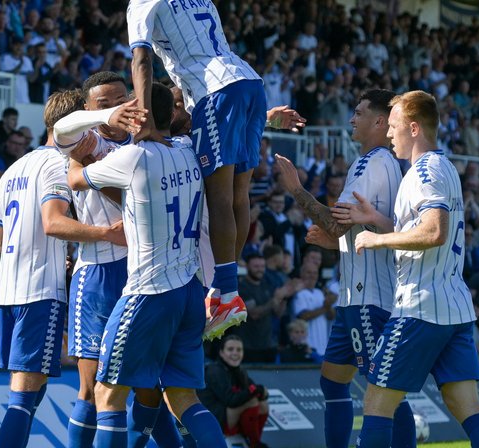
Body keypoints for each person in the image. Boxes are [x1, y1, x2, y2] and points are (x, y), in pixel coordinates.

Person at [127, 0, 306, 341]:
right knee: (239, 198)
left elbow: (141, 59)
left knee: (219, 197)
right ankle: (226, 292)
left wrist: (145, 118)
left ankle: (223, 293)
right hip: (249, 83)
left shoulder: (142, 3)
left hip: (215, 90)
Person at [69, 83, 225, 448]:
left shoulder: (134, 157)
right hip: (189, 288)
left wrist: (80, 154)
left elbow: (76, 179)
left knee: (108, 394)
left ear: (136, 115)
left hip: (148, 290)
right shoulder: (190, 152)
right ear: (171, 114)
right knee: (184, 397)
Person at [352, 91, 479, 447]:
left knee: (376, 402)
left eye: (394, 127)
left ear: (414, 128)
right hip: (453, 307)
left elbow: (434, 231)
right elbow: (423, 230)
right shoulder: (444, 166)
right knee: (465, 404)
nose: (389, 134)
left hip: (419, 307)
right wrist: (381, 222)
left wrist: (377, 240)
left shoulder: (423, 170)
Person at [0, 89, 125, 448]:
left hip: (6, 292)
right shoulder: (57, 163)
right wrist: (105, 233)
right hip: (39, 290)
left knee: (31, 391)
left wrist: (30, 249)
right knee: (23, 397)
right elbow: (54, 223)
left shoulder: (16, 166)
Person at [275, 88, 412, 448]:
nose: (351, 119)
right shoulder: (375, 163)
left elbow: (338, 223)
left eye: (359, 113)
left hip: (369, 297)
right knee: (333, 379)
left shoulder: (373, 161)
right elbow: (353, 229)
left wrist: (297, 190)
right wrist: (336, 243)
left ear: (380, 122)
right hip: (354, 294)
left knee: (383, 390)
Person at [52, 71, 181, 447]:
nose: (118, 109)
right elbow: (62, 129)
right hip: (97, 278)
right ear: (90, 109)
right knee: (92, 389)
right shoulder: (86, 141)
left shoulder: (148, 144)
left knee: (149, 388)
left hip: (144, 275)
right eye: (105, 104)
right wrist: (102, 118)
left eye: (122, 100)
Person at [198, 335, 269, 448]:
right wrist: (255, 391)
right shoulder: (214, 371)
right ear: (221, 352)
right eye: (230, 349)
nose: (235, 353)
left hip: (229, 416)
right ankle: (254, 443)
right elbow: (230, 400)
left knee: (263, 405)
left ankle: (253, 440)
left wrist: (260, 392)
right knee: (252, 402)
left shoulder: (240, 370)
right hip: (212, 420)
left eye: (239, 350)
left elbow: (259, 392)